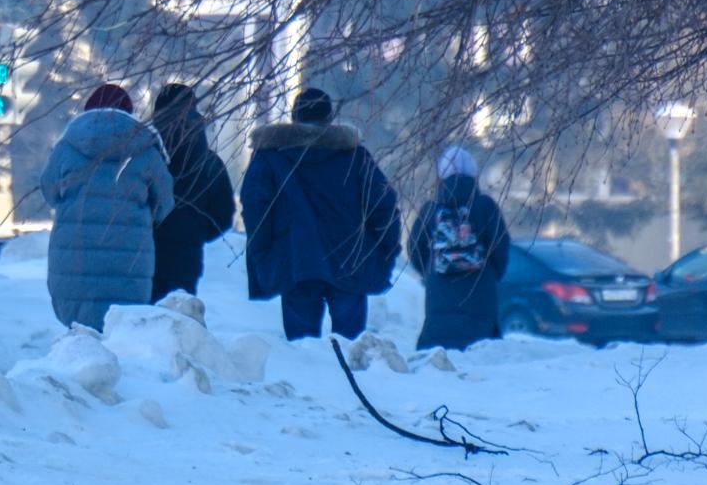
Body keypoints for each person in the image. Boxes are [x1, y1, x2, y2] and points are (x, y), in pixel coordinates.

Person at [240, 87, 401, 340]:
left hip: (295, 262)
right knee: (350, 350)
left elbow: (254, 208)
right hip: (351, 262)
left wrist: (262, 252)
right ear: (329, 117)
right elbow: (384, 205)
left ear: (295, 116)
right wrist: (385, 250)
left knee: (303, 354)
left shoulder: (271, 157)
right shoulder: (355, 157)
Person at [42, 84, 175, 330]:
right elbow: (165, 200)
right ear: (129, 111)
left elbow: (49, 190)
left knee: (79, 331)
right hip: (130, 255)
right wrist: (144, 219)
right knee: (124, 329)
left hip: (75, 252)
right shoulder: (145, 148)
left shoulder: (66, 147)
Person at [406, 145, 513, 351]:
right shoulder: (485, 206)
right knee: (482, 349)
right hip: (480, 287)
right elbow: (501, 246)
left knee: (437, 346)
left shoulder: (431, 209)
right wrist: (492, 273)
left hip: (440, 288)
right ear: (473, 174)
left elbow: (414, 247)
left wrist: (429, 271)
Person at [149, 83, 235, 301]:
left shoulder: (144, 155)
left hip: (144, 254)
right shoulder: (210, 162)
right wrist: (194, 233)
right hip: (186, 258)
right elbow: (223, 218)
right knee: (180, 323)